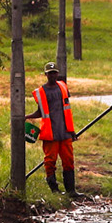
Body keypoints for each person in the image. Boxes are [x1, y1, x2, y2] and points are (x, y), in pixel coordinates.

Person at [26, 62, 77, 193]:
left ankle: (71, 191)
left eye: (54, 72)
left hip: (65, 132)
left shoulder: (63, 87)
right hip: (50, 133)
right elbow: (40, 112)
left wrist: (72, 131)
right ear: (46, 75)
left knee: (69, 161)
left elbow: (67, 109)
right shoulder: (41, 92)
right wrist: (26, 117)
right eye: (50, 73)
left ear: (57, 73)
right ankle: (54, 190)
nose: (53, 75)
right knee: (50, 161)